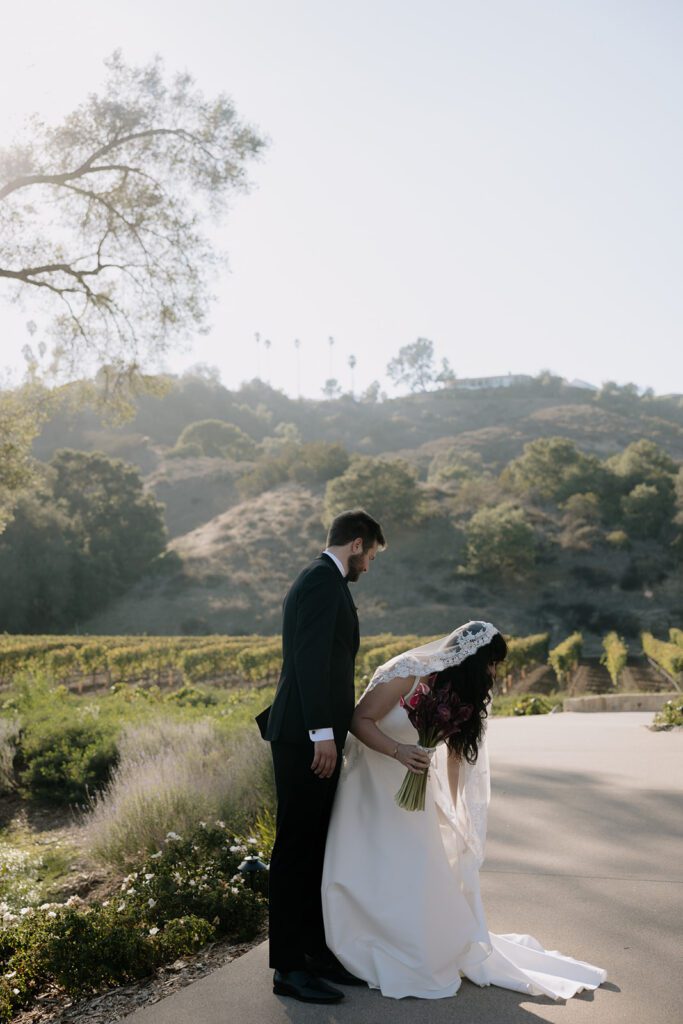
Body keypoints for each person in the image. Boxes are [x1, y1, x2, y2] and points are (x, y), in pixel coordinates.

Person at [321, 621, 608, 1000]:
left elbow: (457, 757)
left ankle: (407, 942)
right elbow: (359, 720)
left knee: (411, 868)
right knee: (367, 864)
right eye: (491, 662)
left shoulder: (460, 693)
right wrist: (398, 750)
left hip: (414, 787)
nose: (494, 671)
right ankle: (360, 941)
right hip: (370, 781)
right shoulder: (406, 672)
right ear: (470, 658)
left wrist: (457, 812)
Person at [255, 508, 386, 1005]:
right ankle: (289, 969)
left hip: (313, 736)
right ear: (356, 544)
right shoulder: (320, 581)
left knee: (313, 848)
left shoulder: (327, 582)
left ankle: (312, 953)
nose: (369, 566)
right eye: (370, 555)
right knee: (295, 849)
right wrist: (321, 734)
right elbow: (309, 661)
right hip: (304, 739)